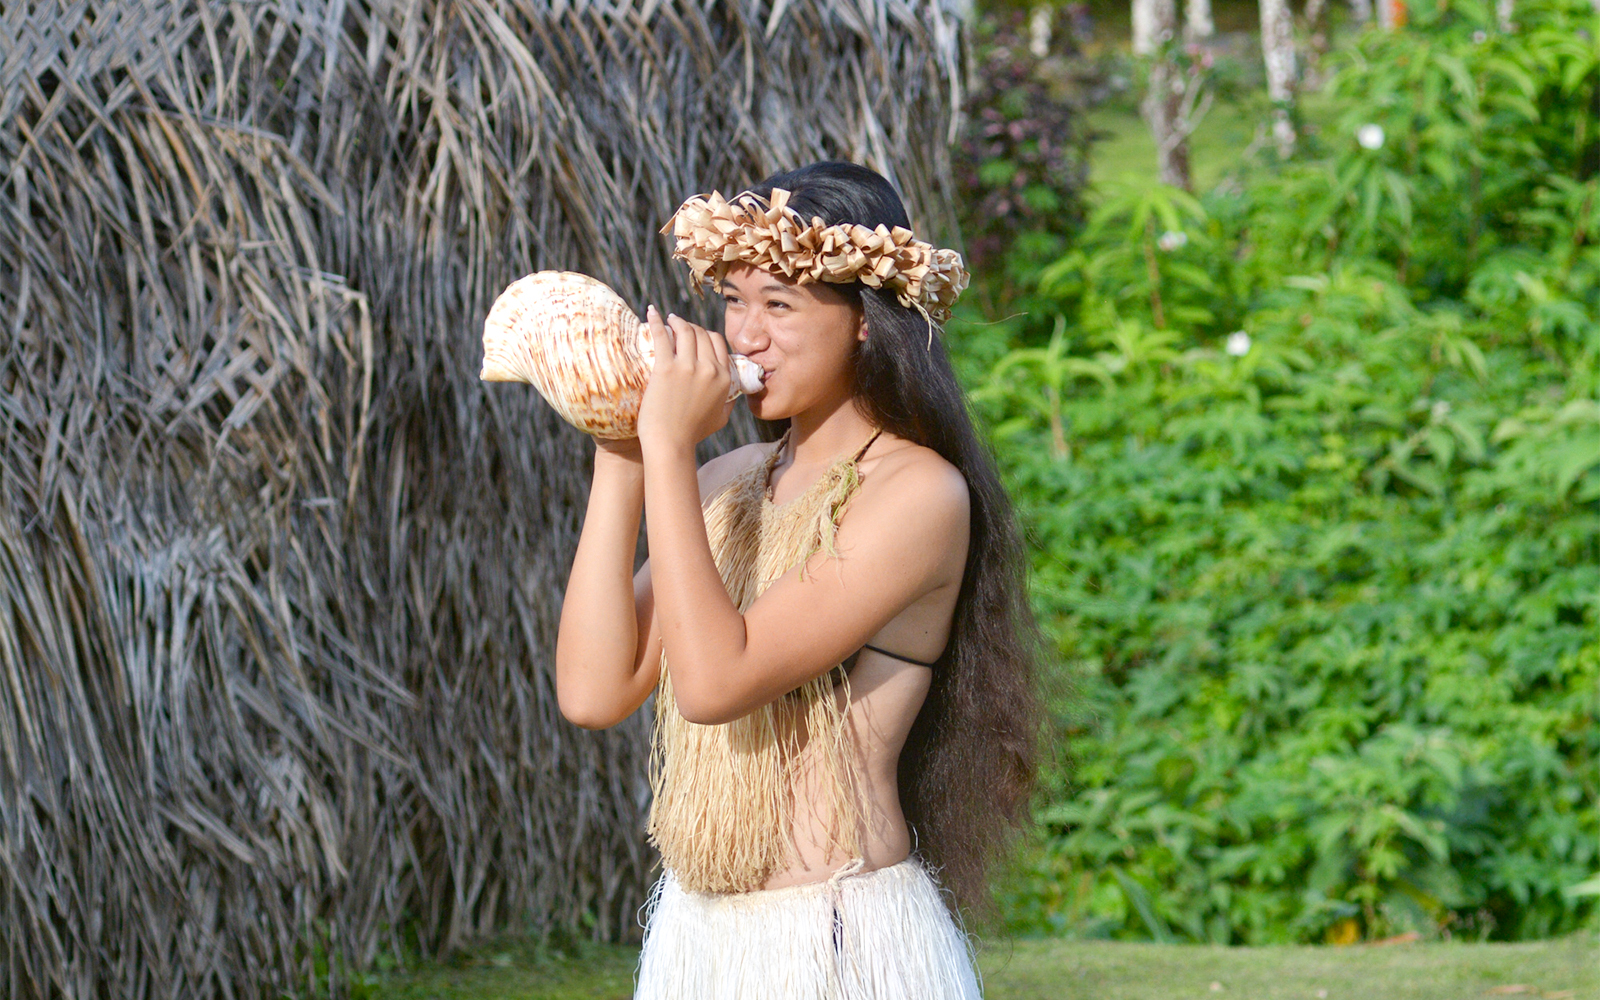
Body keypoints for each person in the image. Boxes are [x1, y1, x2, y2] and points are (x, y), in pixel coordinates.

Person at [553, 161, 1039, 999]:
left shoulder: (917, 493)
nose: (744, 335)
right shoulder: (728, 479)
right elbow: (594, 692)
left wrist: (670, 450)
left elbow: (714, 682)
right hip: (698, 936)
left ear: (862, 322)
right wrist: (621, 451)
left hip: (837, 936)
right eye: (734, 301)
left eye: (779, 305)